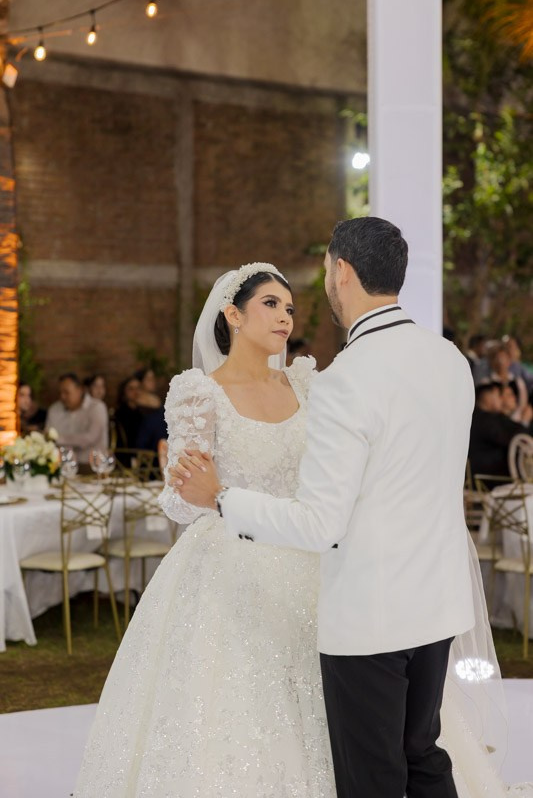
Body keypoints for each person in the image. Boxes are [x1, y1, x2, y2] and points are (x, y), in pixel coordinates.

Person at [172, 219, 533, 798]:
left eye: (323, 273)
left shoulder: (346, 378)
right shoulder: (449, 360)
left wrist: (220, 497)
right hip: (439, 600)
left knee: (374, 777)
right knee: (424, 754)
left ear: (342, 271)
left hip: (372, 613)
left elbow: (320, 523)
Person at [74, 263, 335, 797]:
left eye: (289, 308)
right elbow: (179, 501)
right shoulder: (200, 393)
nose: (285, 317)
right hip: (229, 563)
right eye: (270, 304)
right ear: (233, 315)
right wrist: (190, 483)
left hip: (308, 551)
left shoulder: (305, 383)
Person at [469, 381, 532, 479]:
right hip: (488, 478)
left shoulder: (486, 417)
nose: (501, 399)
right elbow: (513, 440)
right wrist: (525, 421)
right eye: (498, 395)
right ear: (487, 396)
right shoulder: (482, 419)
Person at [45, 373, 108, 464]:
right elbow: (49, 438)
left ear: (80, 390)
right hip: (62, 465)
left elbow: (90, 438)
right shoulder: (54, 409)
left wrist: (58, 439)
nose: (62, 396)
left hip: (92, 465)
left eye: (66, 392)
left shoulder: (97, 407)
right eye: (60, 393)